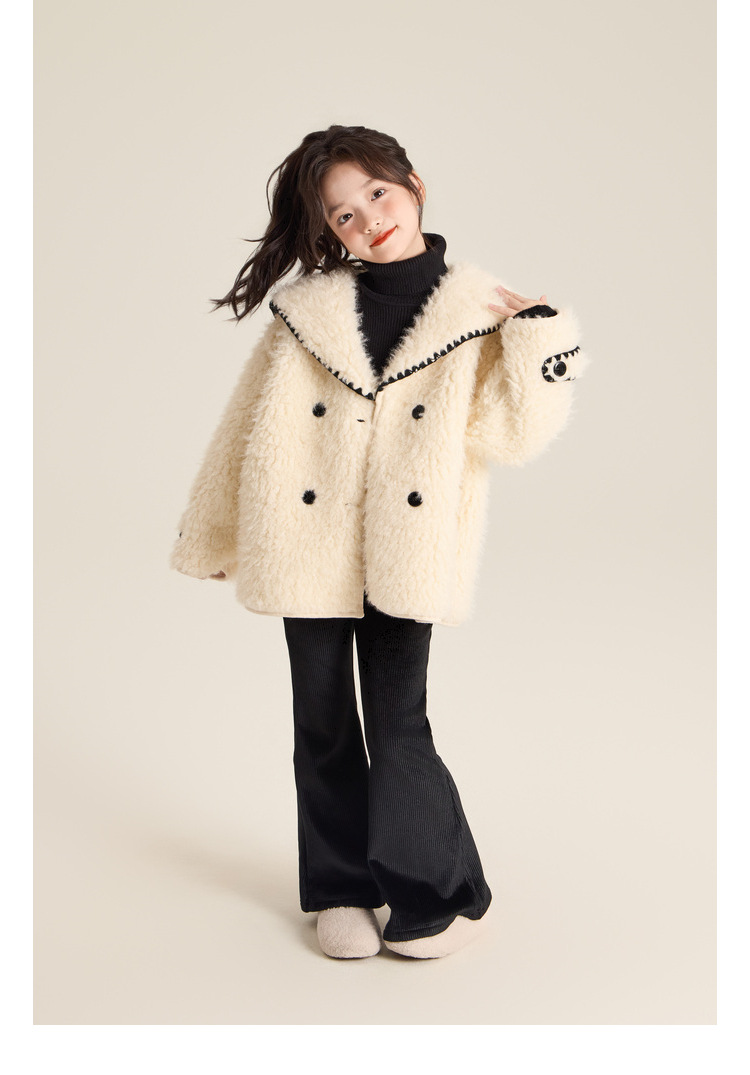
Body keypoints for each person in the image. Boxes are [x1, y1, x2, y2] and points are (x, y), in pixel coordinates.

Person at [170, 124, 589, 960]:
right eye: (344, 215)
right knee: (322, 721)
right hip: (305, 540)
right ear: (331, 232)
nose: (368, 220)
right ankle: (340, 888)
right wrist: (214, 535)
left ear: (414, 185)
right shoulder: (307, 313)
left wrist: (540, 338)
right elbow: (243, 424)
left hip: (410, 543)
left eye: (377, 194)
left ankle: (431, 889)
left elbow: (510, 436)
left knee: (399, 722)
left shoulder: (481, 309)